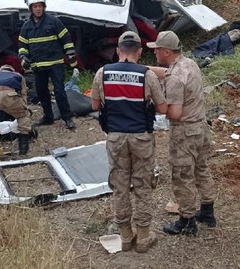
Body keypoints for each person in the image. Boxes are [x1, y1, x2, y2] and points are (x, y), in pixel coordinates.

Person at [90, 31, 167, 253]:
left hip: (115, 137)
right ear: (140, 52)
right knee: (143, 186)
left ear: (118, 50)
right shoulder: (147, 75)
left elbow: (95, 106)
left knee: (120, 186)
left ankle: (125, 235)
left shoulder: (102, 73)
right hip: (141, 137)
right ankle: (143, 236)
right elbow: (162, 108)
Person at [147, 31, 217, 236]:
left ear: (166, 51)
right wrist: (146, 70)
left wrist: (157, 103)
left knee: (182, 176)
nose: (155, 53)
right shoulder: (189, 64)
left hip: (185, 132)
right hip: (201, 128)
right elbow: (168, 73)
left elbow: (174, 113)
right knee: (201, 169)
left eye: (157, 49)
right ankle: (207, 211)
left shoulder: (175, 79)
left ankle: (186, 221)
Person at [18, 0, 76, 129]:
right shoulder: (26, 27)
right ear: (31, 9)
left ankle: (67, 118)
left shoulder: (53, 22)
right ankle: (48, 117)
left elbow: (66, 38)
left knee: (60, 91)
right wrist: (23, 57)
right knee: (42, 92)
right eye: (35, 6)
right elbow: (22, 45)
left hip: (55, 63)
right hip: (38, 66)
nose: (38, 9)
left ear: (44, 7)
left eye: (40, 6)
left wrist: (70, 53)